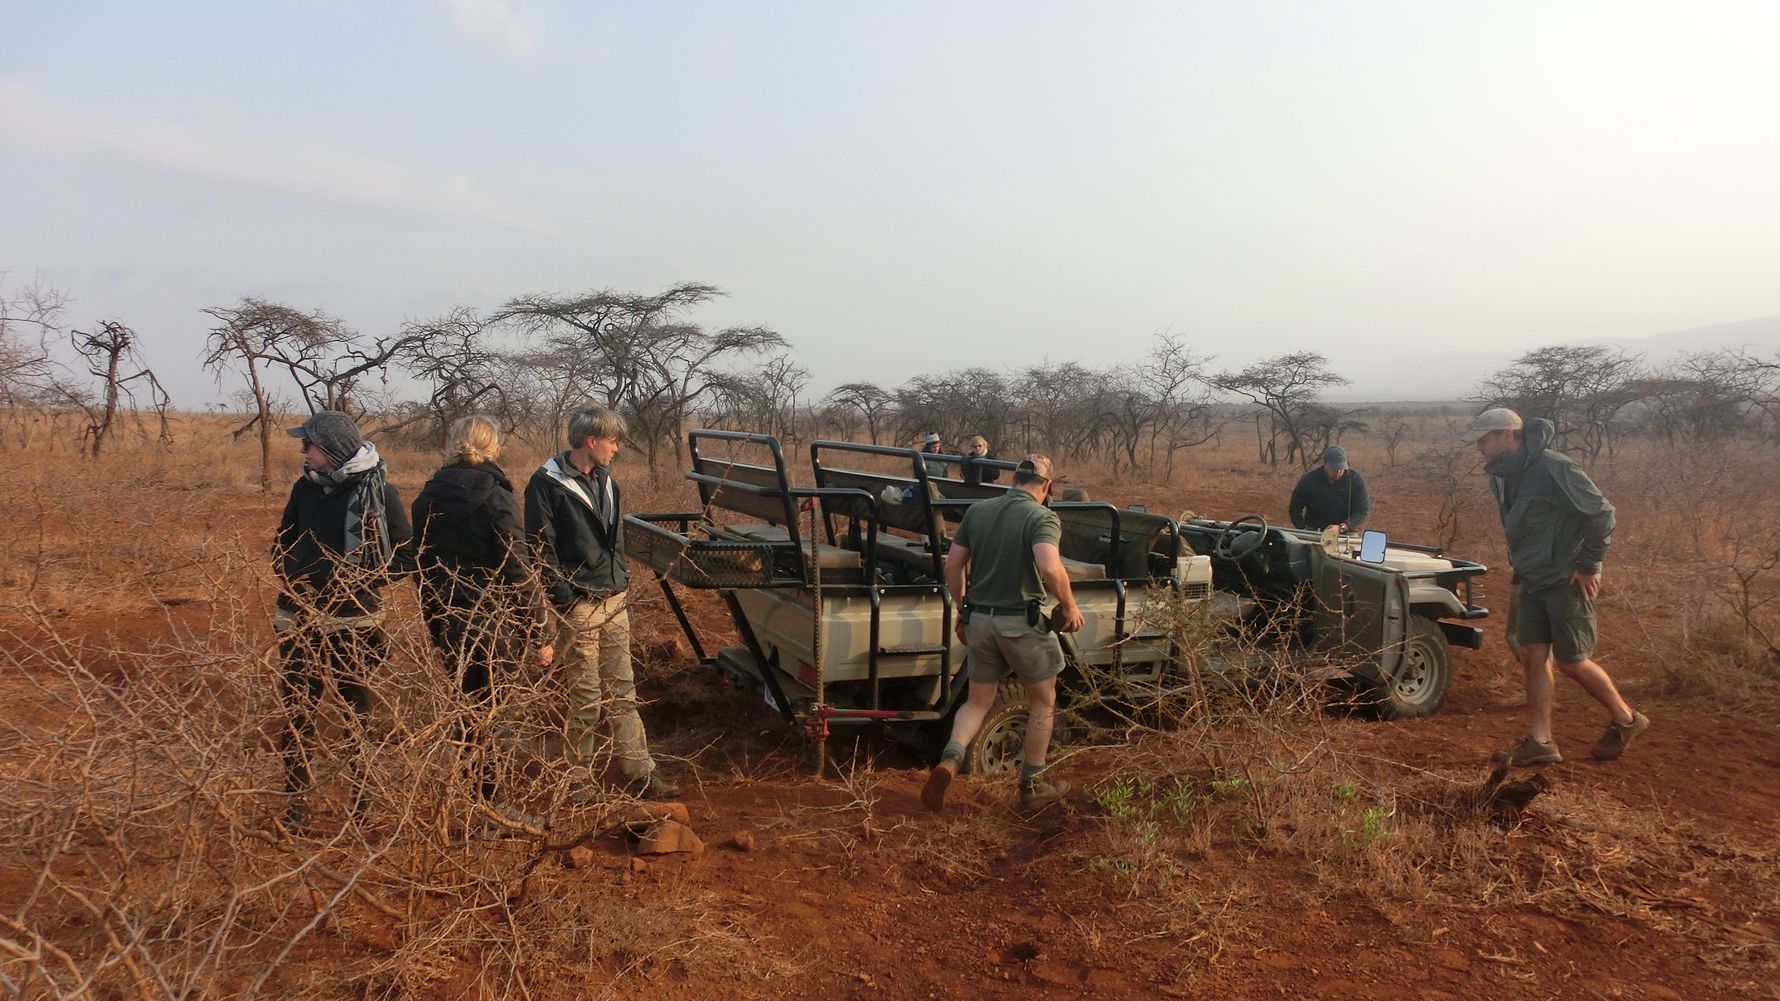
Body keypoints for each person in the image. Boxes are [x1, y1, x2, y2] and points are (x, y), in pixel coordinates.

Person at [1462, 407, 1648, 765]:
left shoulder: (1552, 467)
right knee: (1532, 656)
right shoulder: (1501, 476)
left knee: (1571, 661)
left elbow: (1602, 514)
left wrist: (1589, 565)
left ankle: (1626, 719)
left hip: (1565, 578)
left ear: (1508, 435)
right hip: (1531, 576)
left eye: (1484, 440)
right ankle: (1541, 740)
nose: (1479, 447)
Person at [524, 406, 679, 801]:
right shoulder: (545, 485)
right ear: (591, 441)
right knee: (586, 697)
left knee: (623, 690)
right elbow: (542, 552)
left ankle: (640, 771)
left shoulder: (608, 480)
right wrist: (568, 601)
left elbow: (616, 541)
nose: (617, 449)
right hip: (580, 606)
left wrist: (621, 581)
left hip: (614, 600)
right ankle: (577, 782)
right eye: (613, 441)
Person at [407, 415, 551, 829]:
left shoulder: (427, 497)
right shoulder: (497, 496)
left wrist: (434, 622)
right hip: (493, 622)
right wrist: (537, 631)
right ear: (493, 447)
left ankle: (475, 801)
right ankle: (493, 809)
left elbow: (422, 568)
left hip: (449, 620)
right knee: (494, 716)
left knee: (466, 715)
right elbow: (516, 567)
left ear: (452, 444)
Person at [274, 410, 411, 830]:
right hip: (299, 617)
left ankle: (362, 804)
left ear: (332, 449)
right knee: (298, 710)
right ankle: (296, 807)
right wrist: (298, 576)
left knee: (357, 712)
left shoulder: (378, 491)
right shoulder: (304, 487)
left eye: (309, 443)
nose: (303, 450)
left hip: (355, 620)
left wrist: (354, 581)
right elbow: (282, 544)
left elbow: (404, 556)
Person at [922, 454, 1082, 812]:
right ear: (1046, 486)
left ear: (1012, 481)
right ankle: (1032, 785)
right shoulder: (1041, 516)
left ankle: (950, 759)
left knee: (977, 701)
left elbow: (953, 564)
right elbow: (1049, 566)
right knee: (1043, 701)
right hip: (1020, 624)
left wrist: (962, 610)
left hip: (980, 621)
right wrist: (1069, 605)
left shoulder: (978, 512)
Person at [1288, 444, 1370, 533]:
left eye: (1341, 468)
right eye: (1335, 468)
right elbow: (1294, 508)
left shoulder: (1355, 480)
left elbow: (1362, 509)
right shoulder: (1309, 479)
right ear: (1325, 463)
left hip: (1345, 532)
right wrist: (1303, 529)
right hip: (1314, 531)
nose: (1338, 472)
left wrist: (1343, 526)